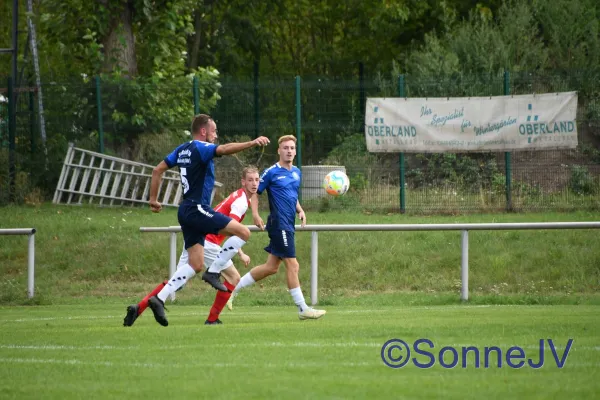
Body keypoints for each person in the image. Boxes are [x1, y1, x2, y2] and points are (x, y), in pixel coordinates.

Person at [145, 114, 269, 326]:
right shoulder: (201, 148)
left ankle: (159, 297)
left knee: (195, 263)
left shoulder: (182, 149)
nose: (216, 135)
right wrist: (251, 143)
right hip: (197, 208)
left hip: (185, 210)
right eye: (214, 131)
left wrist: (153, 199)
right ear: (203, 131)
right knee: (243, 232)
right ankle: (213, 274)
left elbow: (157, 170)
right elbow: (223, 149)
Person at [123, 167, 260, 326]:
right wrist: (241, 253)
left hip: (197, 237)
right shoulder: (241, 201)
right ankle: (212, 319)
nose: (254, 183)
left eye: (257, 180)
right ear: (243, 182)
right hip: (208, 242)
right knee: (234, 277)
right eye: (250, 180)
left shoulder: (241, 196)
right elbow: (233, 228)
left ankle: (137, 308)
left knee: (177, 282)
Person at [228, 135, 326, 320]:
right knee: (293, 264)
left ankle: (233, 288)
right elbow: (256, 193)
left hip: (289, 223)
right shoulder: (272, 172)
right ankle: (302, 308)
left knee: (271, 267)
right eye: (285, 148)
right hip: (278, 223)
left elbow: (291, 195)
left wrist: (300, 210)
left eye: (291, 148)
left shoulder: (296, 172)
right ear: (279, 151)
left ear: (295, 151)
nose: (289, 151)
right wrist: (255, 214)